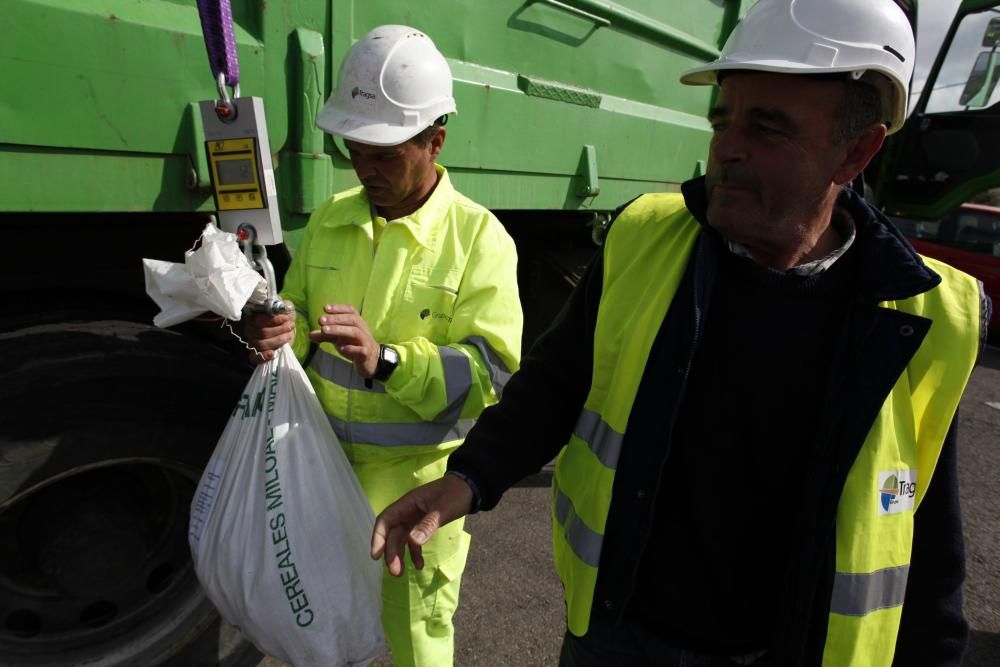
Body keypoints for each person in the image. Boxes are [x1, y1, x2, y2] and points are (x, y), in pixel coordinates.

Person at [370, 1, 992, 665]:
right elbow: (554, 383)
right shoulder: (645, 239)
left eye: (768, 126)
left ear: (857, 149)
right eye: (722, 118)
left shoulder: (921, 316)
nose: (727, 146)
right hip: (617, 640)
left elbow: (928, 562)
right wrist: (468, 476)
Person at [244, 25, 522, 667]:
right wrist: (277, 324)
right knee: (318, 636)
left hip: (414, 502)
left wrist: (387, 360)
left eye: (386, 154)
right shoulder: (329, 221)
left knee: (417, 645)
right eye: (355, 150)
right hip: (318, 485)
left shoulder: (480, 241)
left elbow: (490, 375)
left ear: (435, 141)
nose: (366, 169)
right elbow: (299, 307)